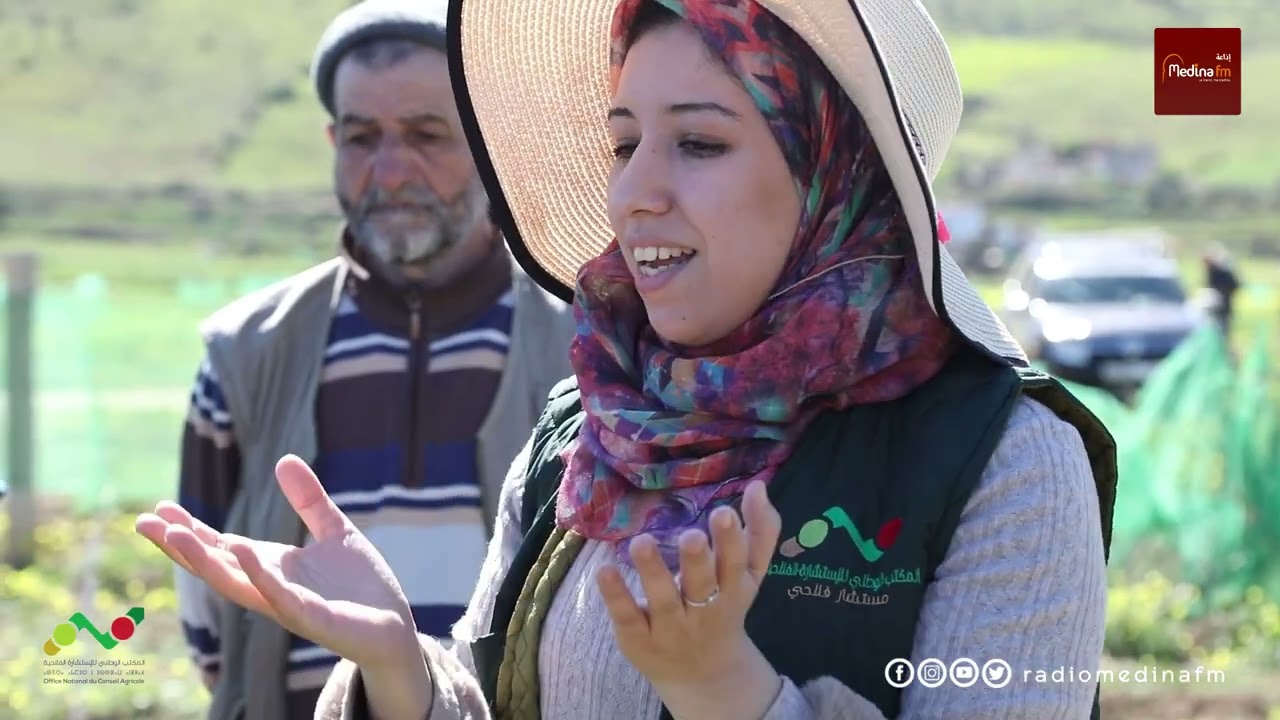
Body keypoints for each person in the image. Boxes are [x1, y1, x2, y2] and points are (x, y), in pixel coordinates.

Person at [142, 0, 1118, 718]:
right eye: (623, 144)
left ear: (835, 170)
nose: (632, 194)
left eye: (698, 142)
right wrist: (399, 669)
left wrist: (721, 689)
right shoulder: (591, 428)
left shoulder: (1005, 465)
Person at [170, 1, 575, 718]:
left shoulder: (587, 347)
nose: (390, 172)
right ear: (332, 142)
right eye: (362, 138)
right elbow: (212, 627)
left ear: (489, 141)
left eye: (426, 135)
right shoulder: (247, 353)